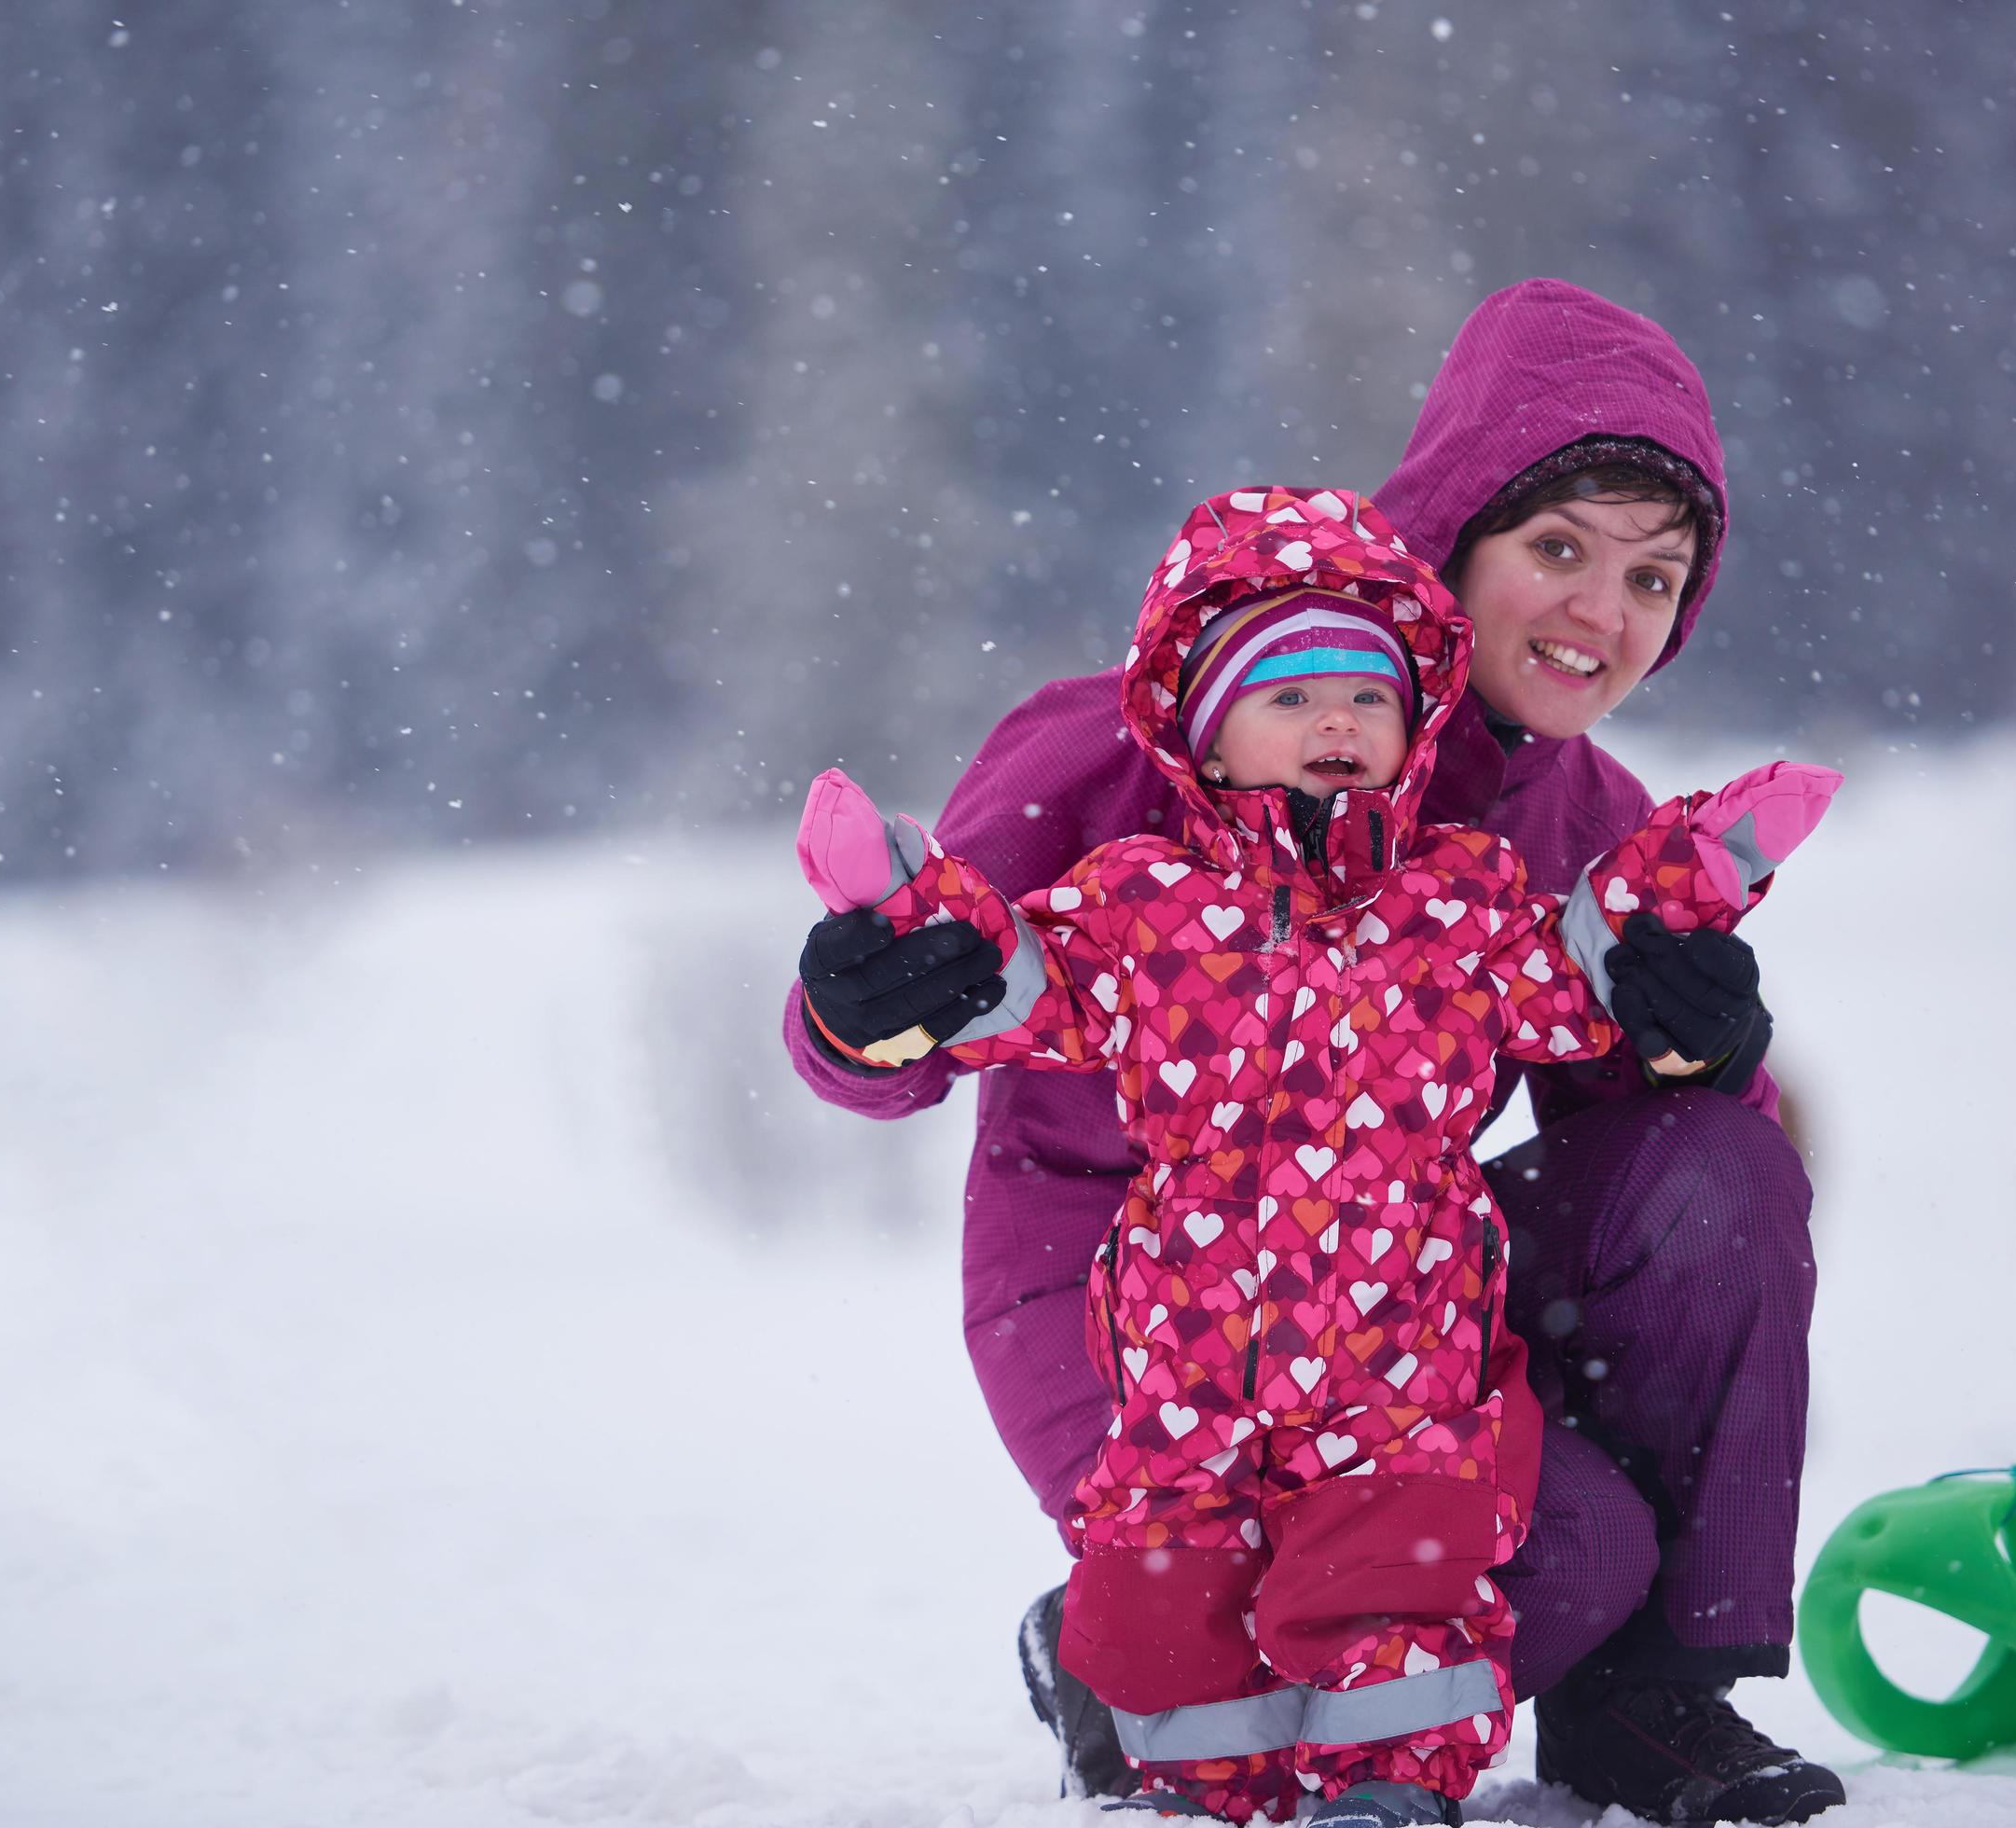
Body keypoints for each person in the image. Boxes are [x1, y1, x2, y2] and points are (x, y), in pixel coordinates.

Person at [785, 280, 1845, 1826]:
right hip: (1130, 1313)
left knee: (1717, 1182)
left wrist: (1704, 1056)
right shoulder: (1111, 744)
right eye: (1557, 550)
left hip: (1395, 1306)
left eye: (1653, 577)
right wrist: (864, 998)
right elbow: (911, 1031)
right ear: (1452, 536)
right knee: (1520, 1562)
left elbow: (1674, 1191)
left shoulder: (1583, 815)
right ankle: (1127, 1669)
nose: (1601, 616)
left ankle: (1643, 1707)